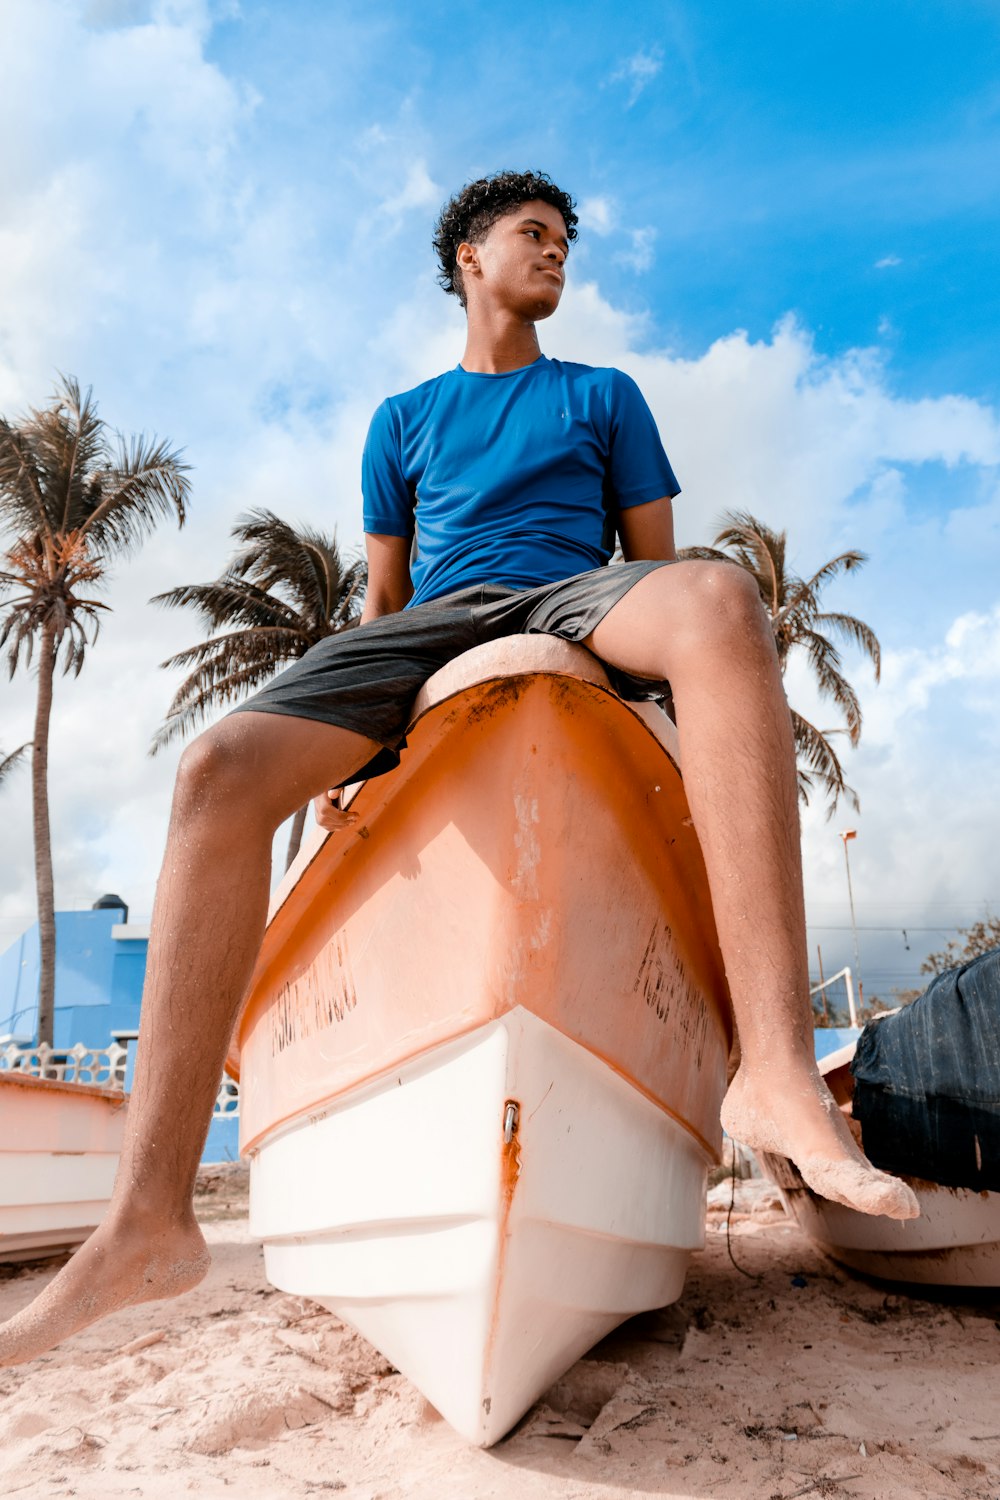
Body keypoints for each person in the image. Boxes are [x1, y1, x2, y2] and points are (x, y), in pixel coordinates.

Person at [0, 170, 917, 1368]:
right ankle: (146, 1219)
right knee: (215, 770)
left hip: (574, 596)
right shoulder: (403, 420)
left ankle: (780, 1073)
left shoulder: (602, 394)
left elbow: (653, 568)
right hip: (436, 620)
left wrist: (665, 711)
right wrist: (360, 751)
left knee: (718, 595)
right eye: (532, 236)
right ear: (467, 261)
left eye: (564, 240)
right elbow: (383, 604)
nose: (557, 254)